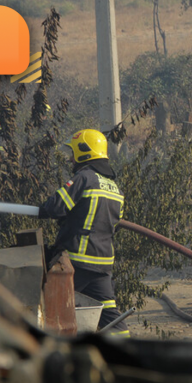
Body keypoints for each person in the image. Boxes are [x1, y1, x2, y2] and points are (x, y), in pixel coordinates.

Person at [38, 129, 130, 337]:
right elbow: (108, 222)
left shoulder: (84, 178)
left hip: (75, 263)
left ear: (84, 152)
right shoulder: (116, 189)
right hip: (103, 264)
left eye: (73, 154)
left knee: (49, 309)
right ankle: (126, 357)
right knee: (112, 318)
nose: (70, 159)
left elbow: (54, 207)